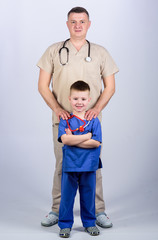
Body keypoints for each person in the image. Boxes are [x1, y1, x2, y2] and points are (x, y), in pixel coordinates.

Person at [37, 6, 119, 228]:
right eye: (73, 21)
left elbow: (110, 87)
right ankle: (57, 209)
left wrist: (97, 107)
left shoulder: (100, 52)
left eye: (82, 21)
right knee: (62, 164)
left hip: (90, 122)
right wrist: (57, 109)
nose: (78, 25)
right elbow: (42, 86)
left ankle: (98, 211)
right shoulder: (54, 51)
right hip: (64, 121)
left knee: (93, 165)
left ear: (89, 24)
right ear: (67, 24)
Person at [58, 81, 101, 237]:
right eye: (76, 99)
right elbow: (65, 140)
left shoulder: (94, 120)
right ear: (70, 99)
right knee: (67, 197)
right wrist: (86, 136)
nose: (79, 102)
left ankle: (89, 223)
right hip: (71, 165)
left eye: (83, 99)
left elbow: (95, 143)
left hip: (89, 165)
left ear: (89, 100)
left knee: (88, 196)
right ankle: (64, 225)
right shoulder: (65, 119)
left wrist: (75, 138)